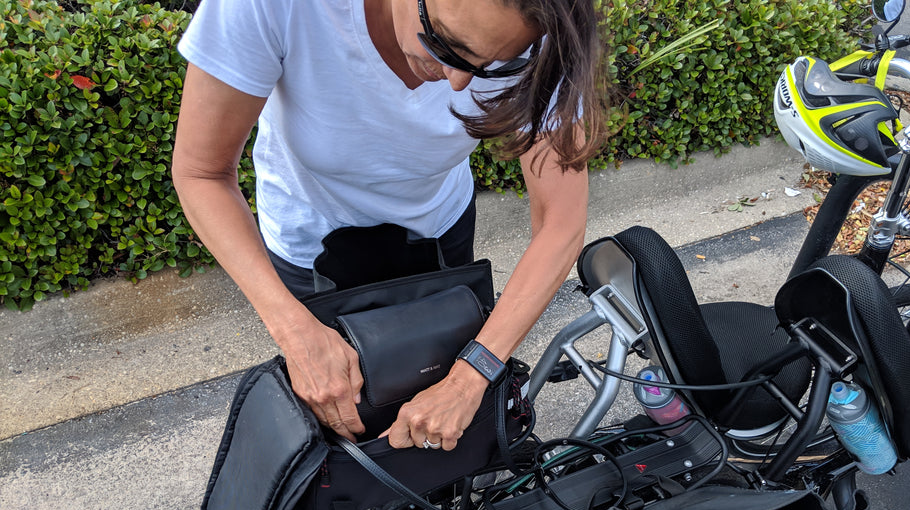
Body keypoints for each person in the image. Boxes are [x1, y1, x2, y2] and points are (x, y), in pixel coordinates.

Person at [171, 0, 608, 452]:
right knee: (344, 425)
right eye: (444, 42)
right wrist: (293, 329)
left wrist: (470, 377)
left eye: (494, 65)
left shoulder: (550, 27)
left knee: (441, 420)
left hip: (440, 233)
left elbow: (561, 223)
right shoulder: (276, 7)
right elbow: (202, 173)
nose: (458, 81)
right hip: (311, 248)